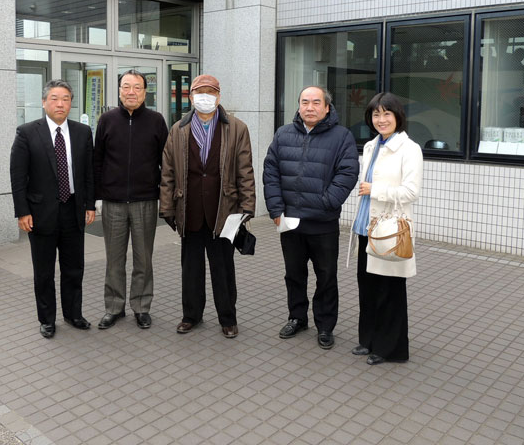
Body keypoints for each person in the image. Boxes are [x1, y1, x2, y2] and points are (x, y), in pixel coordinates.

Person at [159, 74, 255, 338]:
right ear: (191, 97)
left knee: (223, 268)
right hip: (188, 209)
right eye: (199, 92)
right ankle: (191, 315)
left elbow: (245, 171)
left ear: (219, 97)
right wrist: (167, 208)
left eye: (210, 92)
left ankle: (228, 318)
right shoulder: (178, 129)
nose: (205, 97)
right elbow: (167, 172)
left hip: (223, 210)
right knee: (191, 268)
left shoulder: (237, 128)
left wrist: (247, 206)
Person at [263, 86, 359, 350]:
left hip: (323, 223)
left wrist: (326, 203)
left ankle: (325, 326)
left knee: (326, 276)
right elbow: (271, 171)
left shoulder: (342, 137)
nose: (310, 107)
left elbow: (347, 173)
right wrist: (276, 210)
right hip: (290, 221)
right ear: (299, 106)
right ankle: (297, 317)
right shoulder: (283, 134)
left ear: (327, 107)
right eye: (305, 102)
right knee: (294, 274)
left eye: (316, 102)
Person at [10, 79, 96, 339]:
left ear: (71, 103)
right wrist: (22, 211)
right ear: (44, 102)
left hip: (73, 210)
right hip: (40, 214)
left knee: (74, 268)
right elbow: (18, 176)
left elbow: (88, 173)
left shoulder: (82, 132)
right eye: (55, 99)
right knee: (44, 271)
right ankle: (47, 319)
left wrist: (90, 204)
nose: (61, 104)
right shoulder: (27, 132)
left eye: (66, 99)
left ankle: (73, 314)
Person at [349, 92, 422, 365]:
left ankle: (390, 349)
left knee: (389, 292)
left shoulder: (409, 149)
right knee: (367, 289)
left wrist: (375, 189)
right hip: (366, 228)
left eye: (386, 114)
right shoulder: (371, 146)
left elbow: (411, 192)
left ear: (397, 116)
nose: (381, 120)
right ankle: (368, 340)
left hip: (390, 231)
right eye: (376, 114)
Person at [93, 70, 168, 330]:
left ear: (145, 92)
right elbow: (97, 161)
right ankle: (114, 307)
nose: (131, 92)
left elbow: (166, 162)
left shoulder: (156, 121)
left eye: (137, 87)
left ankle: (141, 306)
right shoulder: (107, 120)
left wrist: (164, 196)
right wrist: (97, 197)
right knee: (114, 259)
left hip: (145, 200)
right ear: (119, 90)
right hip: (113, 202)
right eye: (126, 86)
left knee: (143, 259)